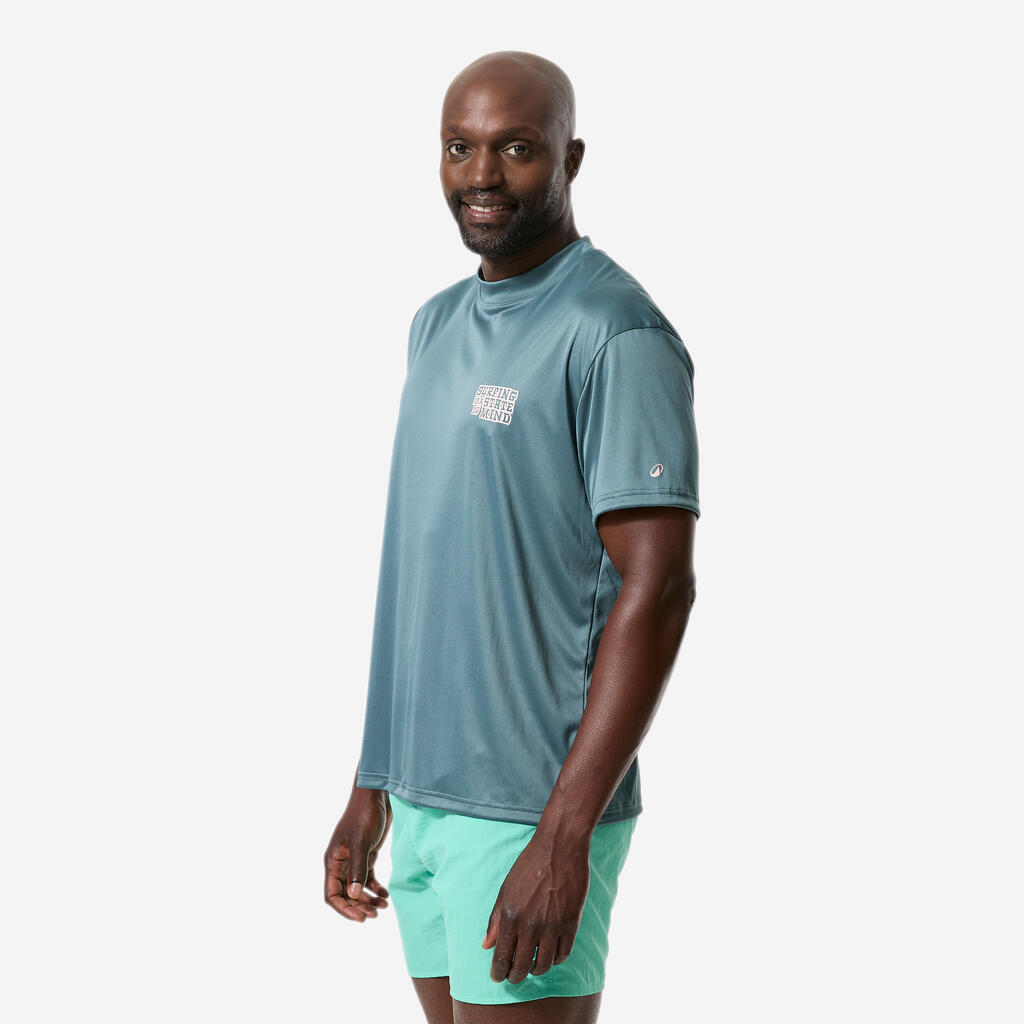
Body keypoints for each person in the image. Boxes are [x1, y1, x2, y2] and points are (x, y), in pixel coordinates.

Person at [324, 50, 700, 1024]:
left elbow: (659, 588)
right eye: (460, 148)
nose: (482, 174)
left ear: (570, 159)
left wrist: (565, 833)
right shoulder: (434, 324)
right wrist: (373, 782)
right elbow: (425, 568)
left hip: (530, 804)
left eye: (517, 149)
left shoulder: (615, 331)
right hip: (421, 795)